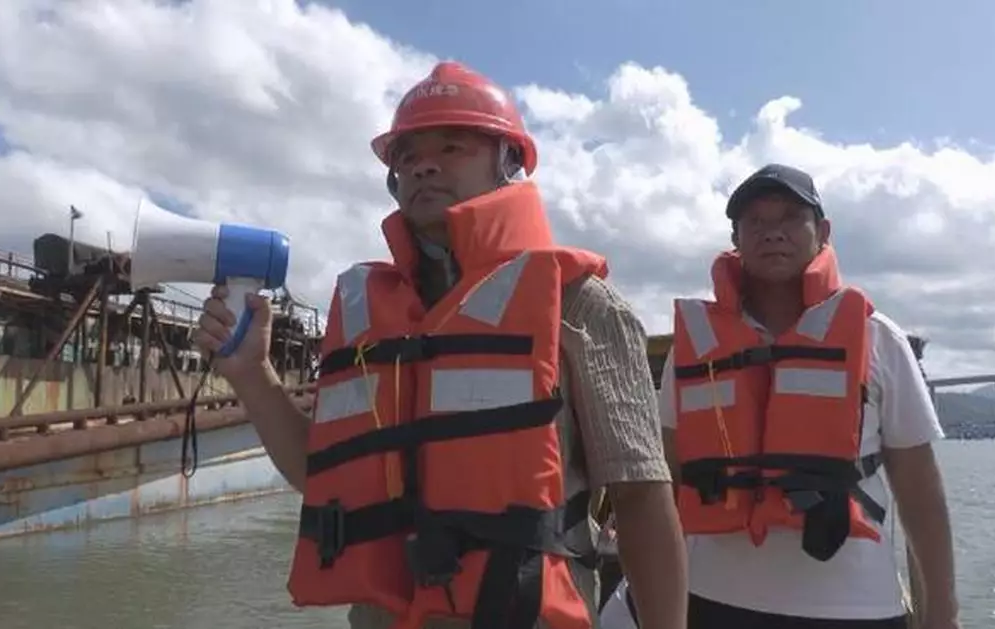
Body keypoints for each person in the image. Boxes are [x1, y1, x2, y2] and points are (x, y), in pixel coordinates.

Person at [195, 60, 687, 629]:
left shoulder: (581, 306)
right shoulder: (367, 316)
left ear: (509, 164)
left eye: (453, 147)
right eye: (406, 156)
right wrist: (253, 374)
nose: (422, 165)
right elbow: (320, 474)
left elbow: (643, 499)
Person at [659, 163, 960, 629]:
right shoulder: (693, 346)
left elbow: (920, 490)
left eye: (790, 219)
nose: (772, 233)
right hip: (710, 598)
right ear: (736, 240)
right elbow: (669, 474)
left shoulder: (877, 339)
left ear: (822, 231)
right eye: (755, 222)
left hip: (855, 608)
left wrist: (941, 614)